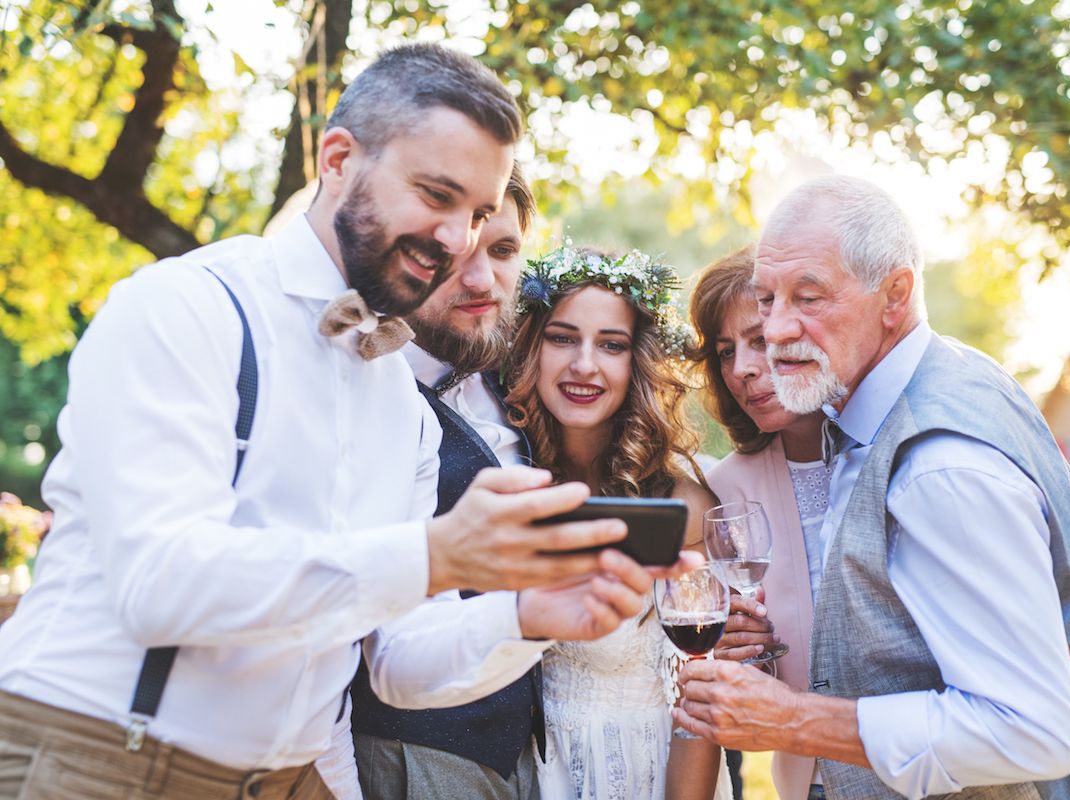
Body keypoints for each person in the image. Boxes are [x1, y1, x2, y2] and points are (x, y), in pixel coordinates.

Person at [0, 44, 693, 800]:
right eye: (436, 194)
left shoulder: (401, 405)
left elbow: (394, 661)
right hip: (96, 760)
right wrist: (435, 553)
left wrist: (526, 617)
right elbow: (161, 585)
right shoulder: (184, 306)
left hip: (292, 780)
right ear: (337, 159)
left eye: (480, 215)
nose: (457, 241)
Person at [676, 178, 1070, 799]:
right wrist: (1046, 620)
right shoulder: (948, 378)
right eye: (766, 301)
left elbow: (1032, 730)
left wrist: (793, 719)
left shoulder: (938, 466)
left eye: (808, 298)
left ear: (895, 295)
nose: (778, 330)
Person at [343, 164, 546, 800]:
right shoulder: (360, 383)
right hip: (409, 749)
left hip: (530, 754)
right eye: (456, 253)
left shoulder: (524, 371)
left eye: (505, 249)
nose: (483, 279)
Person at [502, 245, 730, 800]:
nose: (584, 364)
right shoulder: (507, 478)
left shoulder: (683, 507)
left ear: (638, 364)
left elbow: (697, 700)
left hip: (650, 771)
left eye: (611, 345)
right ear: (532, 347)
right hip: (533, 776)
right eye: (562, 337)